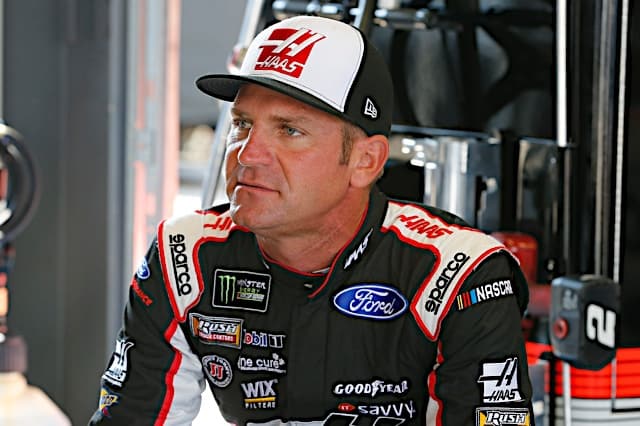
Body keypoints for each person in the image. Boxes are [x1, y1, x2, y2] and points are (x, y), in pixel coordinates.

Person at [89, 15, 534, 425]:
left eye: (289, 130)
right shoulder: (183, 254)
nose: (247, 155)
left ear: (365, 161)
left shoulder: (459, 272)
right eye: (242, 124)